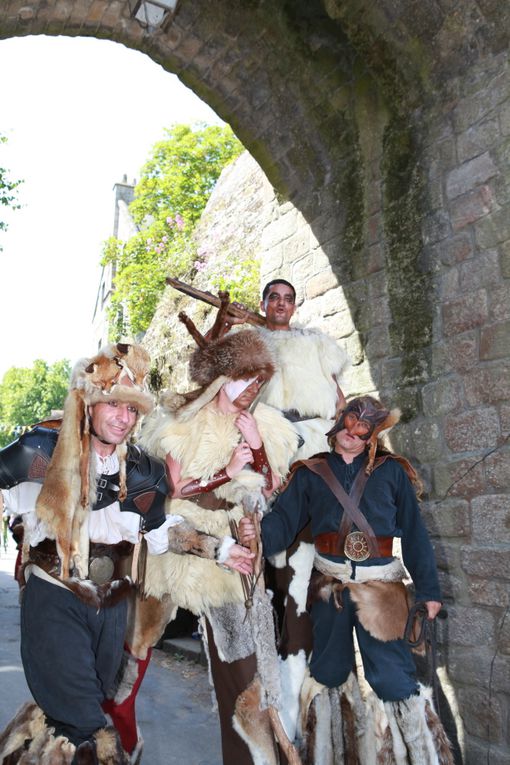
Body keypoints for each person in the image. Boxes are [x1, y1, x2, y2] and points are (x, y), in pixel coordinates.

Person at [0, 342, 252, 765]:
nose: (124, 417)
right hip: (54, 596)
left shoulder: (142, 471)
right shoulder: (40, 451)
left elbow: (160, 529)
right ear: (90, 404)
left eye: (132, 410)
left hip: (113, 605)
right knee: (87, 724)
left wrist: (222, 550)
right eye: (114, 404)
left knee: (80, 712)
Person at [239, 395, 454, 764]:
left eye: (362, 429)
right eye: (349, 423)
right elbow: (282, 522)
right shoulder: (310, 472)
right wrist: (256, 533)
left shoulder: (393, 472)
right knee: (328, 673)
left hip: (383, 592)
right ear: (339, 422)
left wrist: (429, 592)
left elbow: (416, 534)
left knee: (393, 680)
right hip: (330, 589)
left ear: (373, 435)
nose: (351, 433)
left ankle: (413, 757)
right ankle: (334, 756)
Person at [136, 307, 299, 765]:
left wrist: (259, 446)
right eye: (244, 378)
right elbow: (175, 492)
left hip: (244, 547)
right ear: (221, 378)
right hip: (187, 547)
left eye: (257, 381)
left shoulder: (264, 423)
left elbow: (269, 486)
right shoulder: (181, 424)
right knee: (141, 654)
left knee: (257, 667)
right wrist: (225, 472)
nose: (251, 389)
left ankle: (260, 754)